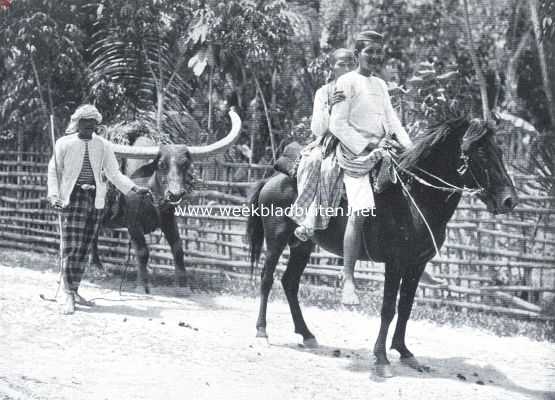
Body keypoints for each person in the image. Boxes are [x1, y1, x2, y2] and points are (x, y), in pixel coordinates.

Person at [329, 31, 414, 305]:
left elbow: (393, 120)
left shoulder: (379, 84)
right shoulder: (346, 81)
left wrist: (410, 149)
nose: (375, 57)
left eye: (379, 52)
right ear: (357, 54)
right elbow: (337, 124)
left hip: (383, 150)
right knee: (361, 208)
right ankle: (348, 280)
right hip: (354, 154)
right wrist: (366, 147)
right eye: (369, 52)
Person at [47, 104, 150, 315]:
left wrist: (132, 188)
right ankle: (66, 293)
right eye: (85, 125)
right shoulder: (64, 144)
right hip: (71, 198)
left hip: (94, 198)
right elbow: (54, 172)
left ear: (96, 125)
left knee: (84, 246)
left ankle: (74, 290)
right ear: (77, 123)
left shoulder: (103, 145)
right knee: (70, 246)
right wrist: (54, 195)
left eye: (93, 126)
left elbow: (114, 173)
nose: (88, 129)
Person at [290, 48, 355, 241]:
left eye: (351, 63)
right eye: (341, 64)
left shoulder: (363, 90)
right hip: (329, 141)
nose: (347, 68)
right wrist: (331, 108)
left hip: (356, 141)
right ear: (332, 67)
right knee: (314, 162)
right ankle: (307, 216)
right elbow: (318, 128)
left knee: (332, 168)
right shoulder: (323, 93)